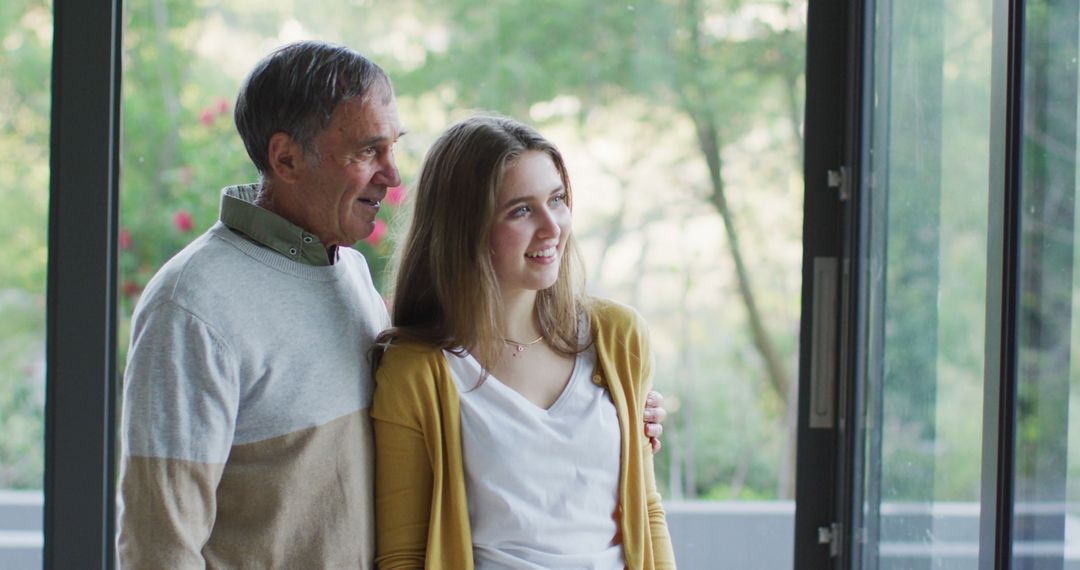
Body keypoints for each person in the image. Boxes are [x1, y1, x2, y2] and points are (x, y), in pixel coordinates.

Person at [117, 41, 665, 568]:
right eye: (367, 152)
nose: (394, 174)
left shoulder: (346, 273)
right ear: (285, 158)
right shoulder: (193, 306)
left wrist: (613, 420)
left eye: (392, 146)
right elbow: (157, 544)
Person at [372, 114, 676, 569]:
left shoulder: (618, 338)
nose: (552, 226)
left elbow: (646, 512)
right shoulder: (416, 372)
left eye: (557, 199)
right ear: (464, 229)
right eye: (521, 209)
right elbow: (404, 554)